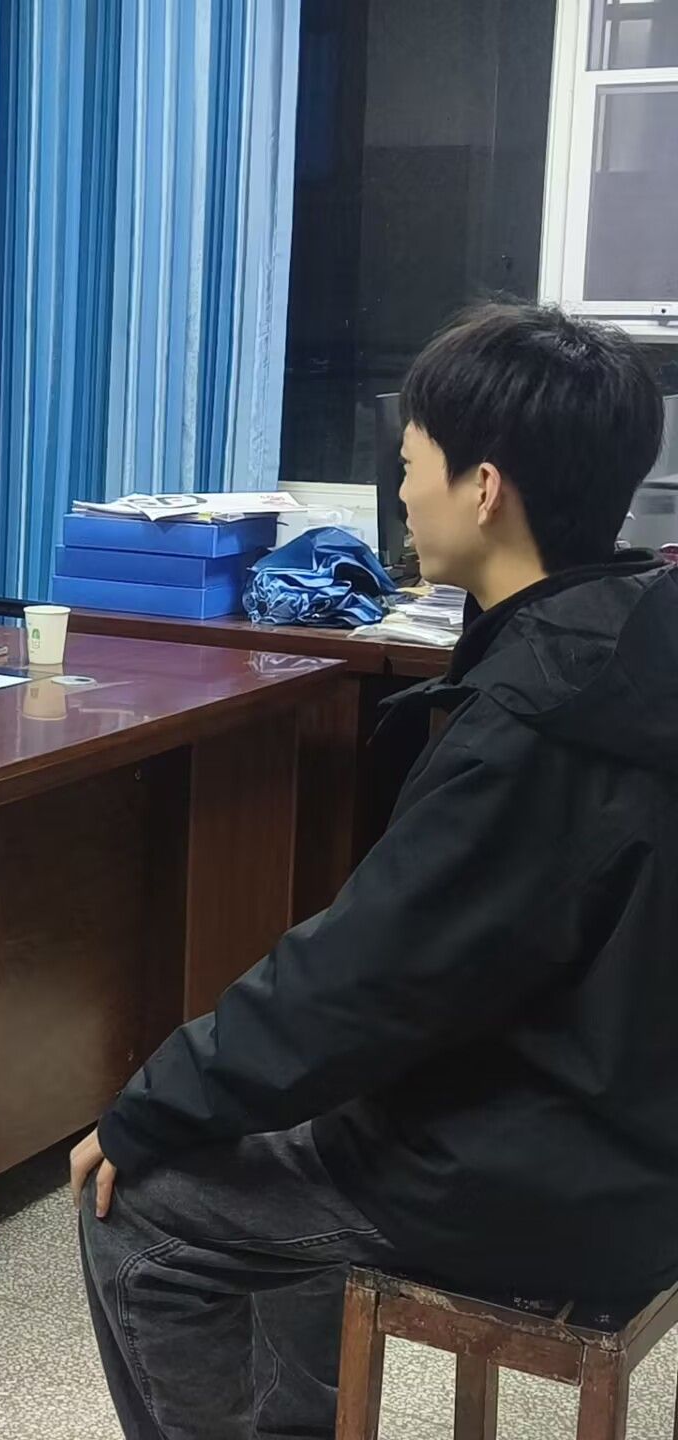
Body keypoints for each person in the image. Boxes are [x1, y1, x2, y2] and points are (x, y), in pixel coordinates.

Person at [73, 303, 678, 1440]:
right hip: (628, 1133)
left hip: (558, 1178)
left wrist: (150, 1106)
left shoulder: (536, 722)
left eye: (410, 466)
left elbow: (368, 979)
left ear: (484, 489)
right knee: (296, 1116)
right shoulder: (633, 639)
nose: (400, 497)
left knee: (141, 1206)